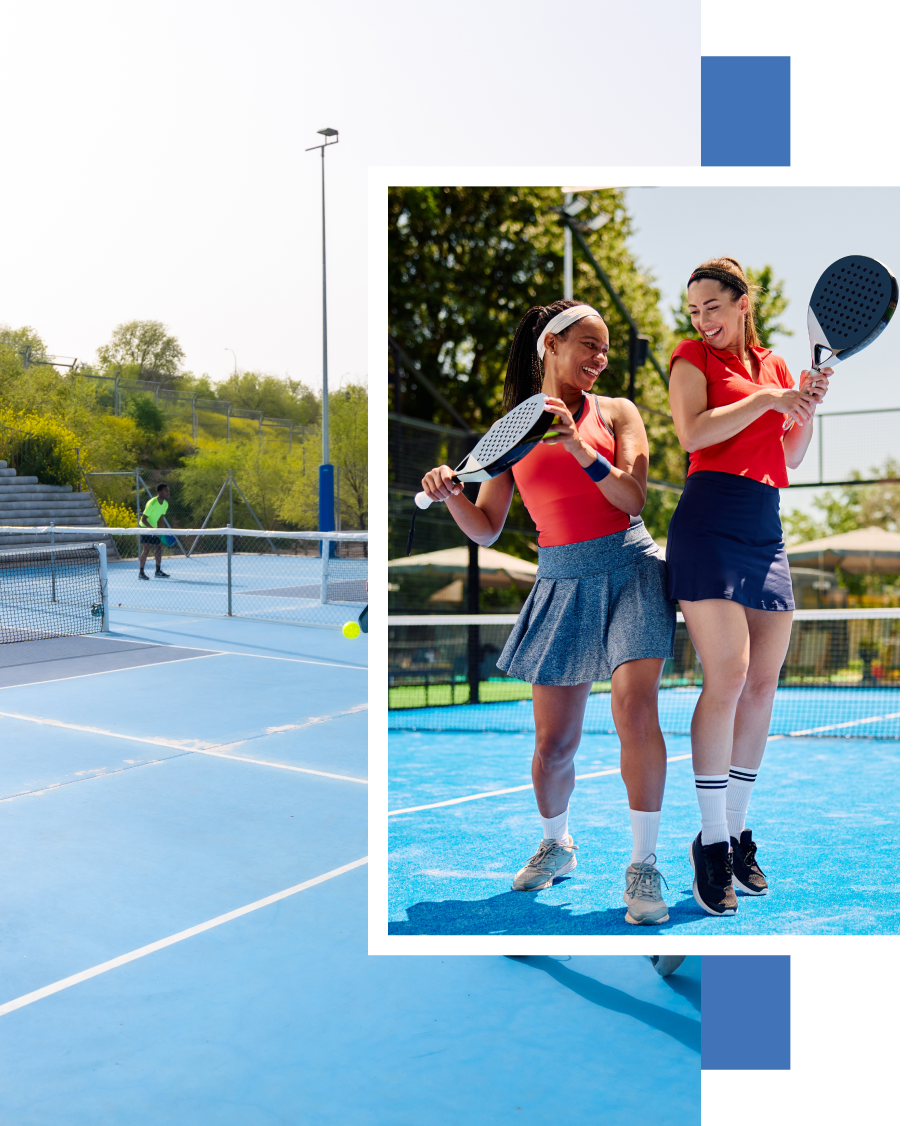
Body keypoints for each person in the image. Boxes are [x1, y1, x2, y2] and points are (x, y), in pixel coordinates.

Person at [420, 300, 676, 926]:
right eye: (588, 343)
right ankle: (556, 843)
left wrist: (579, 447)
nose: (599, 357)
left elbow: (631, 495)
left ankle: (643, 863)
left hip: (631, 567)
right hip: (559, 579)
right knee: (552, 743)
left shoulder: (618, 413)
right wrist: (451, 495)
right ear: (550, 345)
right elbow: (484, 530)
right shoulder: (509, 431)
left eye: (605, 348)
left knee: (634, 707)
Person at [667, 257, 830, 918]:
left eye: (713, 306)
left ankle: (735, 835)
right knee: (728, 676)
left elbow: (789, 455)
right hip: (708, 519)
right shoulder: (689, 360)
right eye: (695, 310)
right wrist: (768, 400)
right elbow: (693, 431)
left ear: (741, 303)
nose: (703, 320)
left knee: (764, 685)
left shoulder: (777, 365)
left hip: (765, 524)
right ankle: (708, 845)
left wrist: (805, 408)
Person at [138, 483, 172, 580]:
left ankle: (158, 571)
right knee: (147, 549)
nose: (168, 493)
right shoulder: (152, 503)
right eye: (166, 491)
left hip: (154, 528)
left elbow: (161, 518)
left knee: (158, 548)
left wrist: (162, 531)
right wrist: (152, 530)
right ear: (160, 492)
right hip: (144, 527)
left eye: (168, 491)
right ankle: (141, 572)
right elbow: (144, 519)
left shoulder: (165, 504)